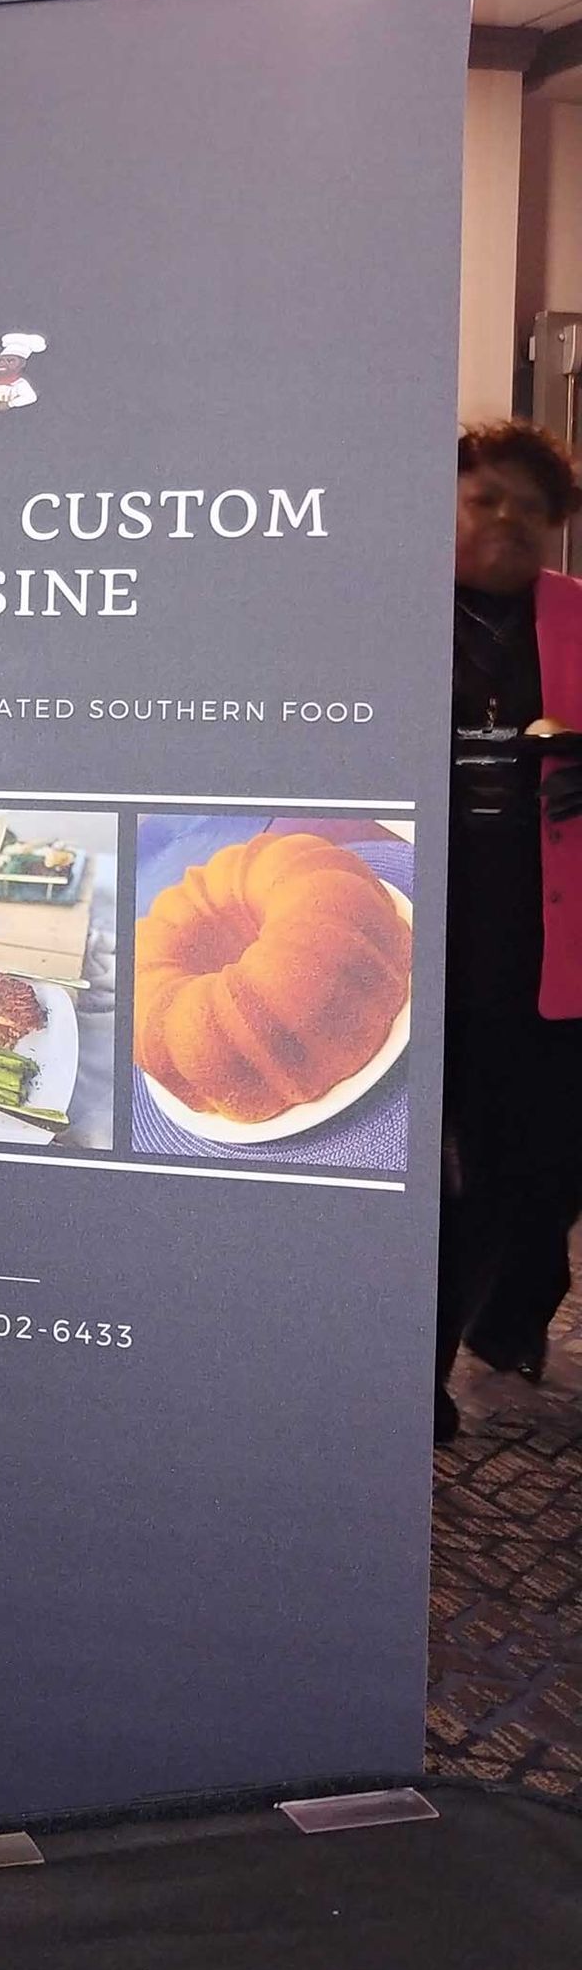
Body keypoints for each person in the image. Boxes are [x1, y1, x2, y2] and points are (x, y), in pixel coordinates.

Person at [436, 419, 582, 1441]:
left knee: (530, 1168)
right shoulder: (383, 614)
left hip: (543, 956)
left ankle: (506, 1316)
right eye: (486, 498)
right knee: (433, 1181)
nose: (506, 524)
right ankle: (422, 1369)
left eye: (532, 512)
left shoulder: (575, 619)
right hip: (419, 942)